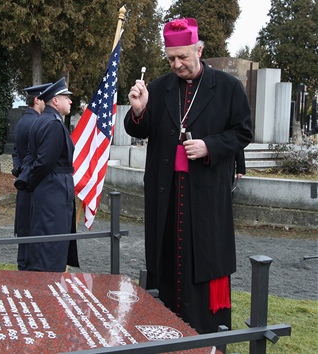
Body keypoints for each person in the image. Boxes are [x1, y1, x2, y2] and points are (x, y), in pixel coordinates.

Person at [125, 18, 253, 333]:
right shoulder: (158, 87)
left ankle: (206, 334)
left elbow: (243, 132)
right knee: (165, 260)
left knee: (203, 262)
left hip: (205, 196)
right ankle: (164, 331)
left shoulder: (227, 87)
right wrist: (139, 110)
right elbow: (138, 128)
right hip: (166, 194)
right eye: (171, 59)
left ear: (199, 49)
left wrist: (210, 146)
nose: (177, 64)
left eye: (183, 57)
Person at [15, 77, 79, 272]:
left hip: (51, 190)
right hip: (53, 192)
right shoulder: (52, 123)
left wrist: (27, 181)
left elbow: (31, 157)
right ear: (55, 100)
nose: (70, 101)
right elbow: (44, 162)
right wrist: (29, 182)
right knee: (50, 252)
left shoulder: (44, 120)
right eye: (66, 97)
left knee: (49, 247)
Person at [12, 82, 51, 270]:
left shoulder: (24, 120)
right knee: (30, 241)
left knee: (26, 237)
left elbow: (16, 154)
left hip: (25, 184)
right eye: (46, 98)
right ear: (37, 100)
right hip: (32, 187)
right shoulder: (35, 122)